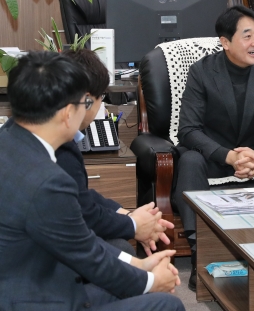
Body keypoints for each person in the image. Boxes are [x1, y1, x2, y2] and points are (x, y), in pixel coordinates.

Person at [0, 52, 188, 311]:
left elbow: (81, 243)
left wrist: (139, 267)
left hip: (1, 293)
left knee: (124, 278)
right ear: (66, 113)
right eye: (84, 103)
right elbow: (88, 256)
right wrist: (152, 280)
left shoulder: (4, 143)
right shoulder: (46, 181)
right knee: (167, 309)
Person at [174, 5, 254, 290]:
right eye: (247, 36)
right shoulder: (202, 72)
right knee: (190, 161)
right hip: (216, 156)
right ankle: (199, 254)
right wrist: (229, 156)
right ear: (225, 42)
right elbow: (188, 130)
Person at [59, 47, 172, 255]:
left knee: (119, 247)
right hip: (44, 256)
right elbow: (85, 214)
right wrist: (134, 225)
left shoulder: (57, 136)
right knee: (121, 250)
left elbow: (81, 196)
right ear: (86, 99)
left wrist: (127, 214)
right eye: (102, 95)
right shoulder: (61, 148)